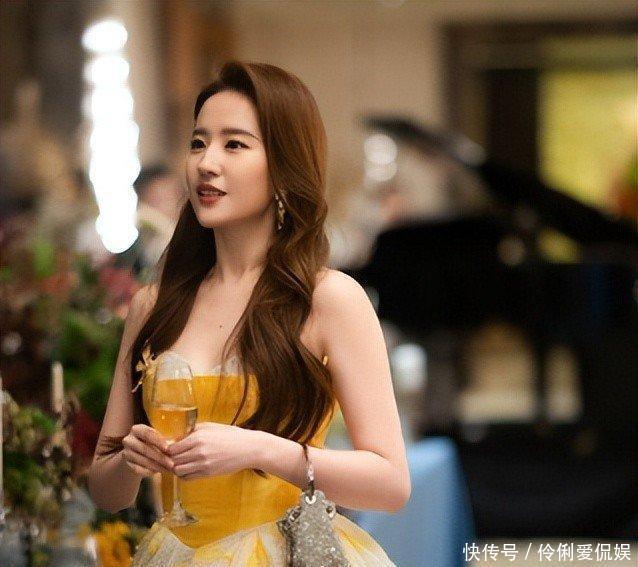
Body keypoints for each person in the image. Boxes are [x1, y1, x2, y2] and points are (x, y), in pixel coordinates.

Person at [87, 60, 410, 565]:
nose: (206, 163)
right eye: (198, 143)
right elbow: (107, 493)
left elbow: (390, 484)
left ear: (283, 165)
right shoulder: (153, 305)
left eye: (234, 145)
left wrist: (261, 450)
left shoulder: (328, 299)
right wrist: (131, 459)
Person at [114, 164, 183, 282]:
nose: (174, 205)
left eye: (177, 196)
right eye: (161, 200)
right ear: (143, 205)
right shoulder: (130, 259)